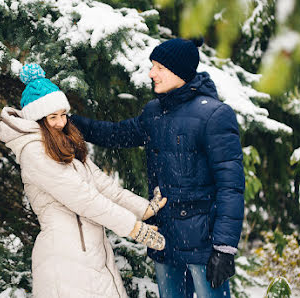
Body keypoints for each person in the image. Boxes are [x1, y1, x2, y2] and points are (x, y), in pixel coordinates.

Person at [70, 38, 245, 297]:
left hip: (204, 243)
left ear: (180, 71)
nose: (151, 73)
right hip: (165, 237)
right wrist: (69, 122)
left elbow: (231, 187)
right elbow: (116, 134)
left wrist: (224, 247)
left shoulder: (215, 116)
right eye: (152, 66)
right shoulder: (155, 112)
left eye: (159, 67)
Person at [0, 63, 168, 298]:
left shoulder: (63, 145)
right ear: (38, 119)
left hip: (90, 254)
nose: (60, 123)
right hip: (64, 259)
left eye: (63, 115)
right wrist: (134, 228)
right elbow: (84, 199)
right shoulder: (34, 152)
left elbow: (102, 185)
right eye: (52, 117)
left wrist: (144, 209)